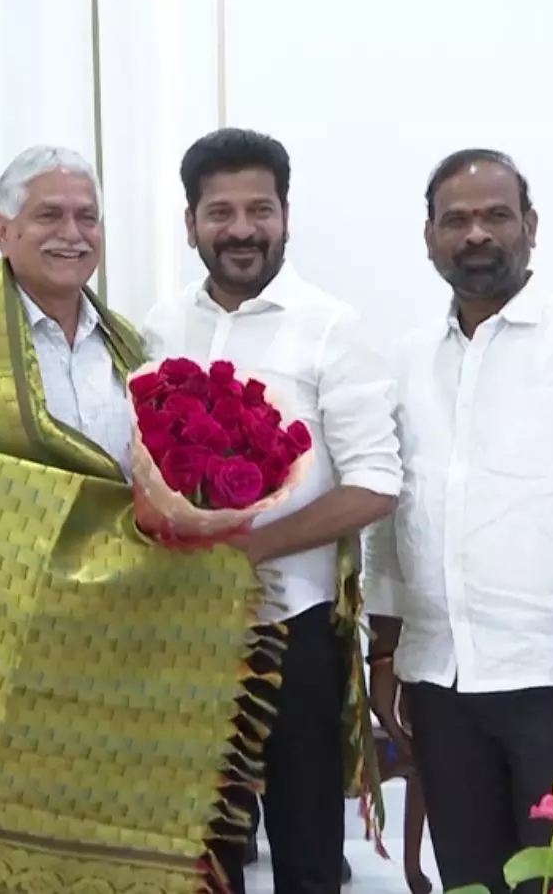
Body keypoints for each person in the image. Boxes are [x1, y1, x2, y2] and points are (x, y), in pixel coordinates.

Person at [0, 145, 280, 894]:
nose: (72, 233)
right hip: (17, 655)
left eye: (87, 217)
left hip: (127, 654)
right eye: (49, 215)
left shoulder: (131, 349)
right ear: (2, 231)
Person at [362, 148, 553, 893]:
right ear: (430, 236)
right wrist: (384, 653)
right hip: (442, 681)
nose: (477, 235)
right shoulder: (405, 362)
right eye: (457, 220)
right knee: (473, 878)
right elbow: (387, 520)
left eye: (496, 216)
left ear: (530, 228)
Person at [142, 128, 403, 894]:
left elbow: (376, 484)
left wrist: (251, 549)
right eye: (220, 212)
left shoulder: (332, 327)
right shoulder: (159, 325)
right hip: (186, 627)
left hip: (299, 630)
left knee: (310, 846)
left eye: (260, 209)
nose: (242, 229)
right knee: (199, 841)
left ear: (287, 216)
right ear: (190, 223)